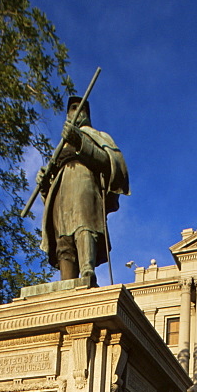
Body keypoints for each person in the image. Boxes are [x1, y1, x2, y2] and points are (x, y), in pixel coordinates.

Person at [38, 96, 129, 284]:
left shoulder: (96, 136)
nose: (76, 111)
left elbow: (110, 162)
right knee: (63, 235)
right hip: (62, 188)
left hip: (84, 181)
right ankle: (66, 282)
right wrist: (44, 182)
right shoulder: (61, 146)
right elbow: (50, 187)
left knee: (83, 224)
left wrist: (81, 143)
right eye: (72, 108)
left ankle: (87, 271)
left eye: (80, 108)